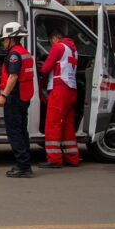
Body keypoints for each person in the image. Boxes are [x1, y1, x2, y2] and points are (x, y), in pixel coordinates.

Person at [0, 22, 35, 178]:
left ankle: (23, 167)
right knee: (22, 131)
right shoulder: (24, 52)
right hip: (23, 97)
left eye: (4, 40)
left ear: (12, 39)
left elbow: (13, 77)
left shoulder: (13, 55)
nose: (3, 42)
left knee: (14, 133)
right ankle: (25, 164)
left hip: (14, 98)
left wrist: (3, 95)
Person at [38, 30, 80, 169]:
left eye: (50, 41)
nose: (50, 45)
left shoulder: (58, 47)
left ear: (55, 38)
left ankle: (54, 159)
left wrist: (40, 66)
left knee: (53, 124)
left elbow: (45, 68)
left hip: (59, 88)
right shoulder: (73, 50)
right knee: (68, 126)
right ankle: (72, 158)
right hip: (71, 89)